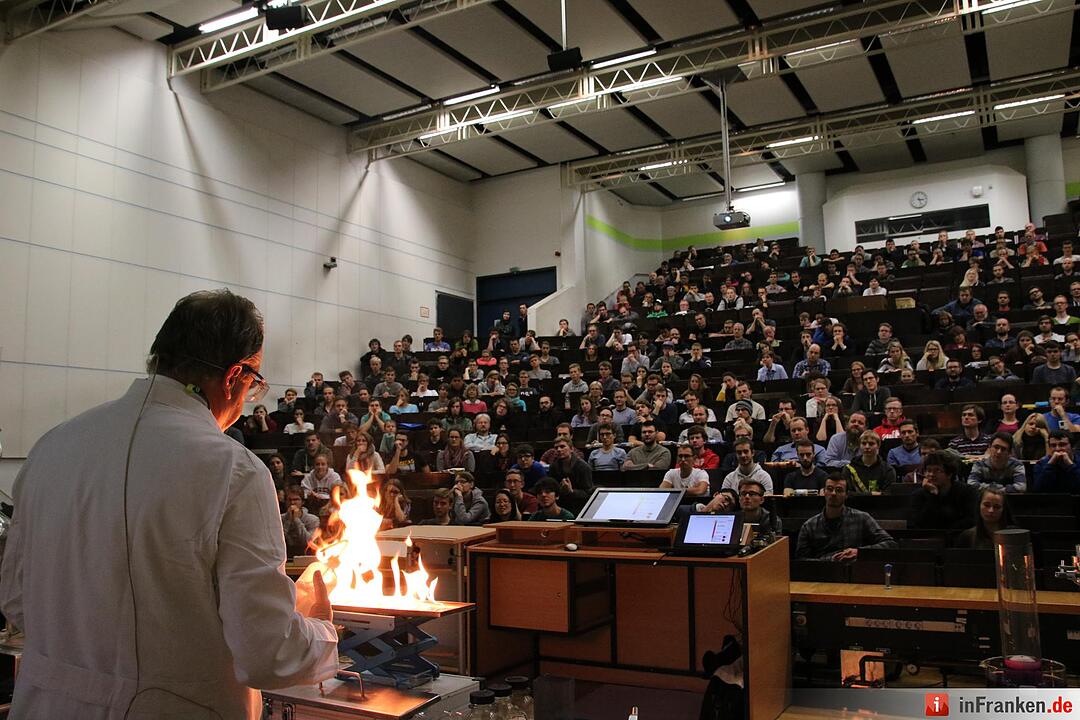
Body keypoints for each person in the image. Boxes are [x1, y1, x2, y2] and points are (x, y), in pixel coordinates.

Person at [0, 290, 339, 718]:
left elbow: (15, 598)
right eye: (254, 385)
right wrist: (323, 631)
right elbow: (266, 652)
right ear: (236, 375)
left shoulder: (52, 447)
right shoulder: (233, 470)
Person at [795, 474, 898, 560]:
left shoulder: (862, 518)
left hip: (854, 573)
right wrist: (830, 560)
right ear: (824, 492)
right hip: (822, 575)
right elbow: (801, 560)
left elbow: (891, 544)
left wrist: (859, 552)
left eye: (839, 490)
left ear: (846, 495)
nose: (833, 493)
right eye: (829, 489)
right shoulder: (809, 526)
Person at [908, 451, 978, 530]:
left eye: (937, 470)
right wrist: (933, 495)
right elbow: (919, 523)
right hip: (928, 538)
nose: (931, 475)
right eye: (928, 470)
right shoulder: (918, 495)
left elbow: (971, 521)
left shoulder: (967, 492)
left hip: (958, 536)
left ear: (949, 474)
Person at [955, 486, 1015, 550]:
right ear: (979, 506)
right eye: (986, 505)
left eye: (996, 507)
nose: (991, 510)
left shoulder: (1013, 535)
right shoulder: (967, 536)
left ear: (1003, 509)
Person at [547, 437, 595, 513]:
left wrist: (571, 491)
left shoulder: (584, 467)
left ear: (571, 449)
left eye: (562, 446)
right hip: (560, 505)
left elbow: (588, 494)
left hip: (579, 507)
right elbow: (551, 488)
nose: (559, 450)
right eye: (556, 448)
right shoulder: (553, 466)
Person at [281, 485, 320, 557]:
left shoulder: (313, 520)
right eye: (289, 500)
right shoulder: (280, 519)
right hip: (286, 555)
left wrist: (296, 520)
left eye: (296, 499)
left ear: (302, 502)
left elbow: (308, 542)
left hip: (305, 554)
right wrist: (289, 520)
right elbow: (279, 541)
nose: (292, 502)